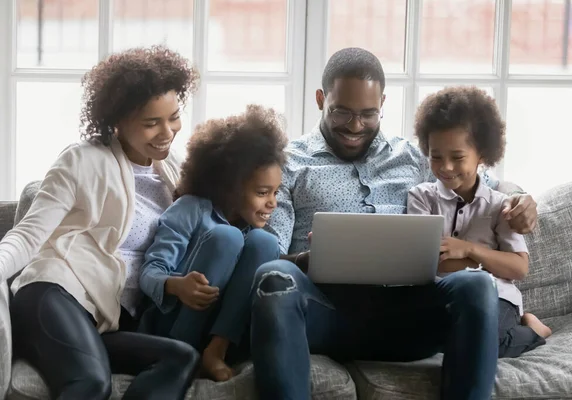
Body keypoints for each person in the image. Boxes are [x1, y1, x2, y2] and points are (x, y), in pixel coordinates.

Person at [250, 47, 539, 400]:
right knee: (273, 278)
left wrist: (523, 199)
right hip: (326, 314)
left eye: (369, 114)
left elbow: (485, 186)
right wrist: (305, 260)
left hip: (409, 315)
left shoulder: (416, 157)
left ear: (383, 103)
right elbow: (272, 250)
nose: (356, 126)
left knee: (477, 285)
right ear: (321, 99)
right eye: (342, 112)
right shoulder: (289, 164)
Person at [2, 45, 201, 400]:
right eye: (151, 122)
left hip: (105, 319)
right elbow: (27, 236)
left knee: (180, 358)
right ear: (117, 121)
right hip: (54, 295)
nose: (167, 131)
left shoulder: (173, 171)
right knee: (91, 383)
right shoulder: (82, 161)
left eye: (173, 116)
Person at [138, 105, 286, 382]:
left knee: (266, 243)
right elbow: (150, 271)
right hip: (172, 328)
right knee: (226, 237)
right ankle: (186, 352)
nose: (272, 203)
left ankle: (216, 350)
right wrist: (176, 285)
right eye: (262, 192)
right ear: (230, 186)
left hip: (221, 333)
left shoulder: (254, 227)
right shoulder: (190, 209)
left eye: (276, 192)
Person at [408, 86, 552, 359]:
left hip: (498, 299)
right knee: (435, 337)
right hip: (443, 296)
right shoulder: (421, 198)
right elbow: (427, 262)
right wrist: (492, 264)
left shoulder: (500, 205)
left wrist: (468, 250)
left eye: (458, 157)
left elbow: (518, 268)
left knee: (483, 341)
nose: (446, 167)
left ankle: (534, 329)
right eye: (436, 156)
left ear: (482, 156)